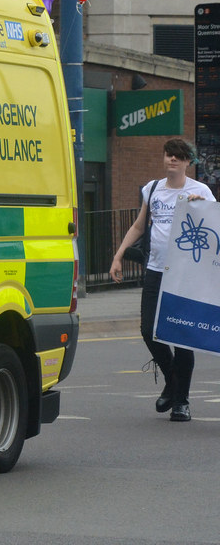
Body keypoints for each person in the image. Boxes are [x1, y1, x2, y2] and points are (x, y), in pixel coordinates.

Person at [109, 138, 216, 422]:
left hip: (186, 274)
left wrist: (201, 205)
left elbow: (213, 227)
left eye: (179, 157)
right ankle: (173, 381)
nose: (173, 160)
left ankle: (181, 402)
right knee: (147, 329)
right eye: (169, 155)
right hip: (156, 270)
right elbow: (138, 226)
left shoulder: (201, 190)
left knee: (181, 336)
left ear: (187, 162)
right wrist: (118, 255)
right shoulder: (152, 189)